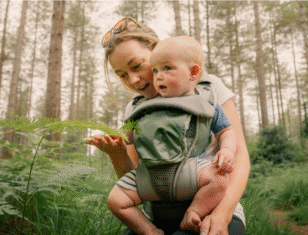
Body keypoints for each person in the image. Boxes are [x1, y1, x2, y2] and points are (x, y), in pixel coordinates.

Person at [84, 17, 249, 235]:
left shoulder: (207, 88)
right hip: (156, 219)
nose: (132, 80)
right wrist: (117, 154)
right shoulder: (136, 109)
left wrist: (222, 215)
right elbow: (135, 178)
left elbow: (239, 156)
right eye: (122, 75)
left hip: (213, 211)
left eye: (136, 66)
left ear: (158, 50)